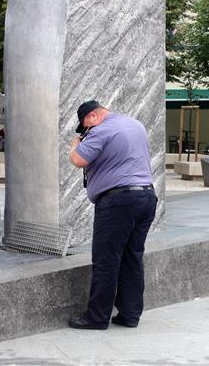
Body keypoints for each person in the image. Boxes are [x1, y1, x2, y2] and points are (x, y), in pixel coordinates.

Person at [68, 100, 157, 330]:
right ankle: (130, 314)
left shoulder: (101, 130)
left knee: (106, 259)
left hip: (119, 202)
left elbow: (78, 160)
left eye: (85, 126)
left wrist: (76, 145)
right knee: (132, 257)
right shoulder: (135, 124)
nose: (86, 131)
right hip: (146, 197)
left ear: (93, 117)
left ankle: (96, 318)